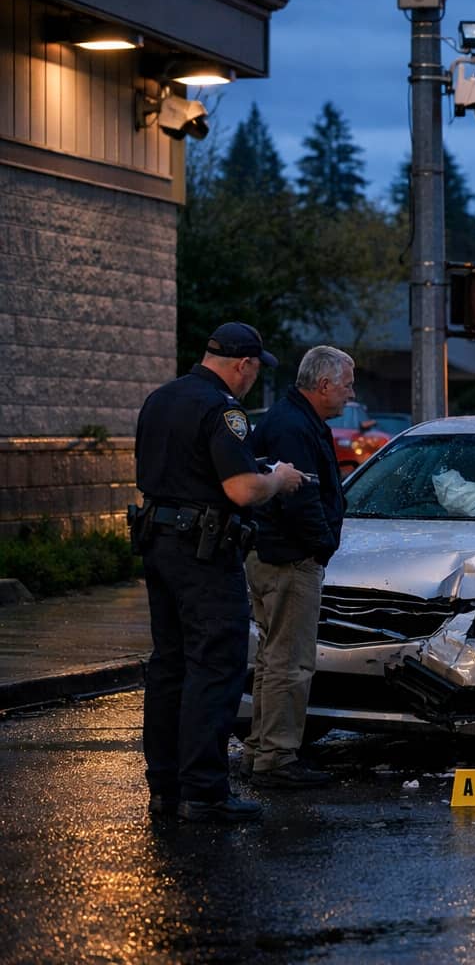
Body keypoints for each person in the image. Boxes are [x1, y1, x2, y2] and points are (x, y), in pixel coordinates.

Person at [133, 322, 305, 823]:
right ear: (244, 364)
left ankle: (164, 788)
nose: (252, 378)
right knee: (214, 664)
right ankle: (204, 792)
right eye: (254, 369)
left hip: (159, 543)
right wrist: (277, 479)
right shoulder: (223, 409)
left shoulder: (159, 399)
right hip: (203, 553)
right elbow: (241, 490)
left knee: (170, 665)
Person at [243, 346, 354, 788]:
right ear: (324, 385)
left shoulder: (290, 419)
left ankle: (261, 749)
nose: (351, 393)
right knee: (290, 662)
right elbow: (301, 497)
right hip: (289, 557)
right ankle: (277, 757)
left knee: (273, 659)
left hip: (273, 553)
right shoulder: (294, 426)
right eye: (347, 384)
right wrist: (321, 545)